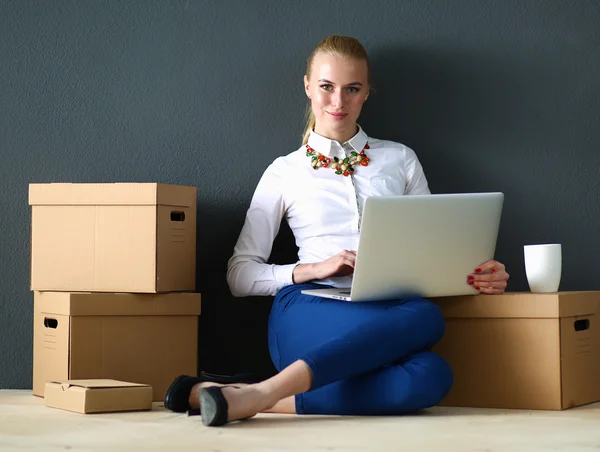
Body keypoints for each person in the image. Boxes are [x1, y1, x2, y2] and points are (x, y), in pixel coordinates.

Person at [164, 35, 510, 427]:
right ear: (308, 86)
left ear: (367, 93)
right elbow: (239, 275)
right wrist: (311, 269)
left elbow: (429, 255)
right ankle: (262, 393)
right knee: (427, 319)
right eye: (327, 87)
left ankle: (252, 396)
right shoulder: (285, 171)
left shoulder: (401, 159)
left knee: (433, 374)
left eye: (352, 89)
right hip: (306, 309)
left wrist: (475, 274)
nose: (338, 102)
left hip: (383, 312)